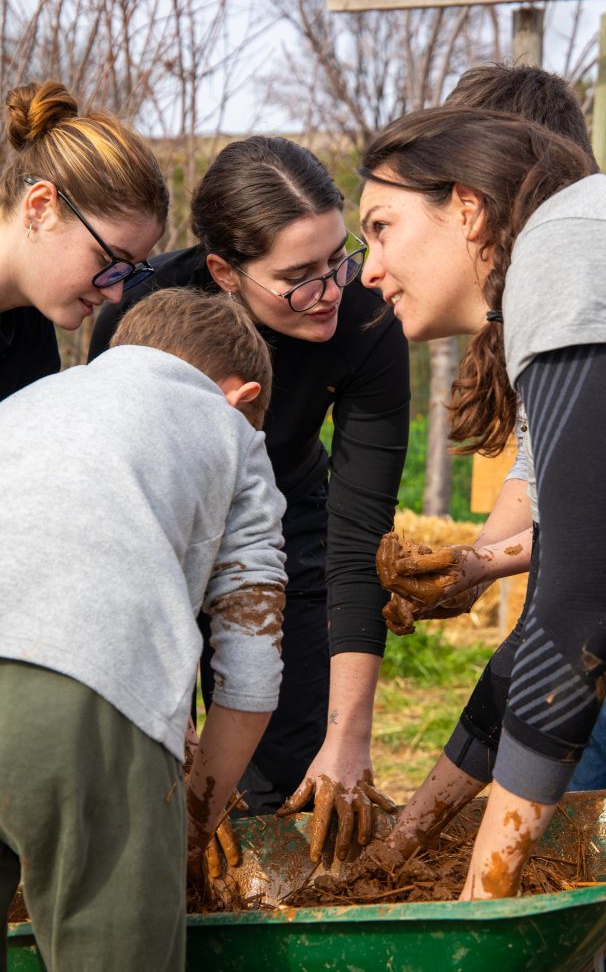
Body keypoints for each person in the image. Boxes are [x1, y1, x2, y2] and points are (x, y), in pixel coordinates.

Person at [377, 63, 606, 971]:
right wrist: (409, 838)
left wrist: (481, 902)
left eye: (382, 229)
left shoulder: (565, 243)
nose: (368, 269)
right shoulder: (581, 258)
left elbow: (582, 609)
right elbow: (553, 617)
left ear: (466, 208)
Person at [88, 135, 410, 861]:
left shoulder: (363, 319)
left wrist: (347, 735)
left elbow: (358, 534)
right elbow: (116, 505)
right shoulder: (141, 315)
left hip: (291, 528)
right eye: (298, 276)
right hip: (159, 543)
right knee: (148, 781)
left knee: (281, 781)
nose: (330, 289)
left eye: (338, 259)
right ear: (223, 274)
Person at [0, 288, 287, 972]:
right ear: (240, 396)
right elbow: (251, 667)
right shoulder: (230, 431)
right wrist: (194, 821)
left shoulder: (27, 402)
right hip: (77, 687)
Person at [0, 79, 167, 401]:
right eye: (108, 261)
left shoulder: (31, 325)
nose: (115, 293)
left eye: (127, 272)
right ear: (41, 207)